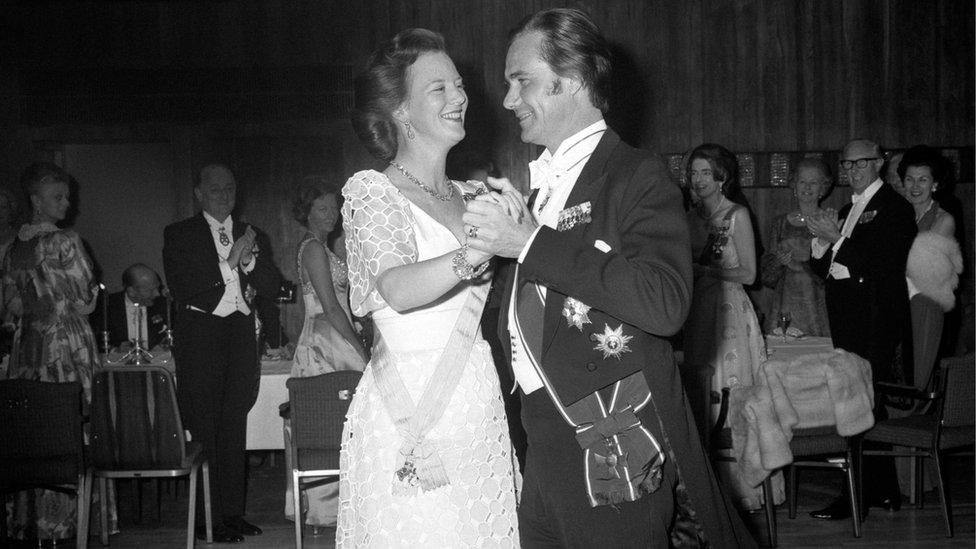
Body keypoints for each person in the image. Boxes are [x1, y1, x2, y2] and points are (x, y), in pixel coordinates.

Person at [463, 9, 755, 547]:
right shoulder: (540, 188)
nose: (507, 100)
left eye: (520, 80)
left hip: (610, 446)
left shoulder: (636, 174)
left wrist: (528, 242)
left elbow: (664, 302)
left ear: (570, 81)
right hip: (540, 438)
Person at [336, 28, 520, 547]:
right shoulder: (374, 192)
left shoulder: (473, 197)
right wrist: (476, 252)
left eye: (458, 85)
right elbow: (396, 287)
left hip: (476, 397)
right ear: (399, 111)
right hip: (409, 409)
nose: (459, 97)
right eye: (439, 88)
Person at [162, 163, 280, 543]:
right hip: (201, 339)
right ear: (198, 193)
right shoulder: (180, 234)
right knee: (207, 429)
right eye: (215, 190)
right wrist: (230, 264)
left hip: (239, 337)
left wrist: (249, 260)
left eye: (230, 189)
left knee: (234, 428)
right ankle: (207, 520)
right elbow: (185, 287)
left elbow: (272, 285)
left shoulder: (251, 234)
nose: (224, 196)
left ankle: (233, 514)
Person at [806, 138, 916, 520]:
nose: (852, 171)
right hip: (848, 319)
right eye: (846, 165)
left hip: (875, 320)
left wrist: (837, 240)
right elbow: (827, 271)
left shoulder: (895, 207)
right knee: (864, 404)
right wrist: (820, 243)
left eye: (860, 163)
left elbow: (884, 264)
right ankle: (883, 491)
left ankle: (853, 496)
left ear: (879, 163)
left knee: (861, 404)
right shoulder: (845, 207)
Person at [2, 162, 100, 544]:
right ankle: (70, 525)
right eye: (57, 196)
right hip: (65, 342)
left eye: (67, 195)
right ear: (35, 200)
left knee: (31, 433)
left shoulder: (15, 246)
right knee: (70, 428)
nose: (66, 202)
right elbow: (85, 295)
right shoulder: (64, 241)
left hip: (27, 347)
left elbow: (10, 304)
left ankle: (31, 521)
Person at [681, 143, 771, 510]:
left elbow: (750, 274)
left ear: (722, 177)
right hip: (697, 314)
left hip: (730, 312)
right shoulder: (688, 217)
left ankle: (743, 489)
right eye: (694, 172)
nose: (699, 179)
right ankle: (707, 492)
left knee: (733, 394)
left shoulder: (737, 215)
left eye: (706, 172)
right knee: (701, 398)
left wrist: (706, 271)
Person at [283, 175, 367, 532]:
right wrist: (360, 347)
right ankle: (327, 511)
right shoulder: (313, 249)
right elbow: (331, 309)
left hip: (332, 333)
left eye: (334, 207)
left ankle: (340, 507)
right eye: (322, 207)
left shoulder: (324, 247)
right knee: (331, 420)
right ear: (307, 212)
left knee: (342, 421)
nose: (331, 213)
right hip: (326, 340)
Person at [899, 145, 962, 389]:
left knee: (918, 377)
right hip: (897, 302)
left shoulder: (943, 218)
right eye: (909, 179)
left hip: (925, 303)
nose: (915, 187)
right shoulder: (895, 213)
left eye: (923, 180)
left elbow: (917, 264)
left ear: (934, 183)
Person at [760, 158, 832, 337]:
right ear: (794, 185)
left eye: (813, 183)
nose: (807, 188)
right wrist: (778, 261)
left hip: (818, 304)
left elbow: (835, 272)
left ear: (822, 188)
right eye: (802, 182)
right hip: (785, 303)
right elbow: (767, 277)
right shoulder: (780, 223)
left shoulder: (829, 221)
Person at [89, 263, 168, 350]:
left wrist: (164, 346)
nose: (157, 293)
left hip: (158, 361)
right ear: (131, 291)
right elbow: (93, 342)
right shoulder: (106, 306)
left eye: (158, 288)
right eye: (151, 290)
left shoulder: (164, 305)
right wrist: (115, 349)